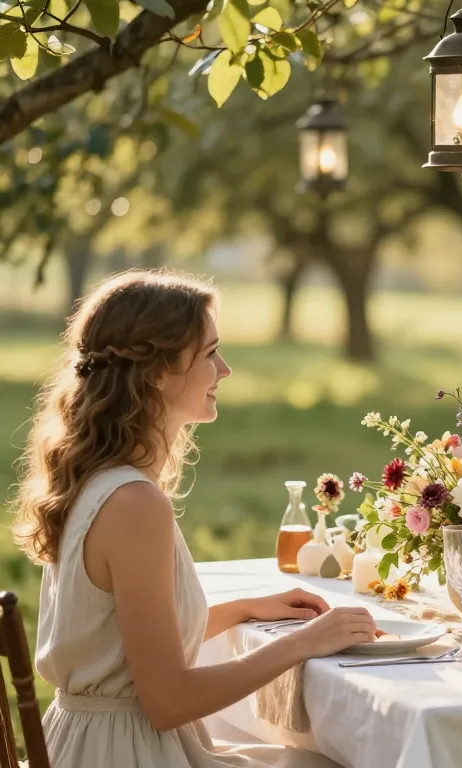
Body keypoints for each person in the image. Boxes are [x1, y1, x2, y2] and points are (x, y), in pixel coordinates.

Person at [13, 270, 377, 767]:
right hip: (123, 753)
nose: (224, 370)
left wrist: (245, 609)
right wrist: (307, 641)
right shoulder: (134, 505)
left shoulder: (99, 480)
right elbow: (169, 702)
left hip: (91, 741)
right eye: (209, 353)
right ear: (157, 372)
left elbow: (120, 641)